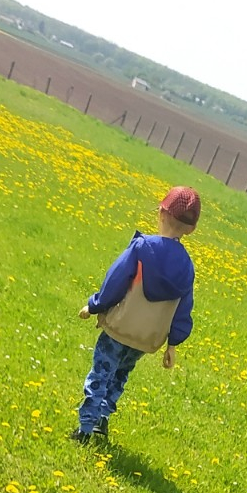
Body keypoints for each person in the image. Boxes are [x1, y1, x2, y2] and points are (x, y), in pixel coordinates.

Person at [72, 186, 199, 444]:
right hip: (147, 338)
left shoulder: (142, 247)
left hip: (120, 327)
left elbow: (115, 282)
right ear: (191, 229)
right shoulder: (187, 266)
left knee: (101, 372)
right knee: (120, 374)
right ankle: (103, 418)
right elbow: (184, 309)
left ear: (161, 213)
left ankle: (85, 428)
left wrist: (95, 305)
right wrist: (172, 344)